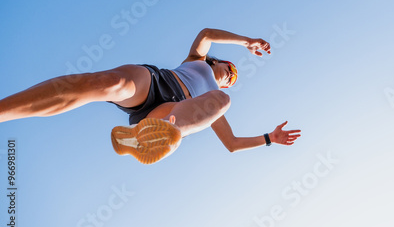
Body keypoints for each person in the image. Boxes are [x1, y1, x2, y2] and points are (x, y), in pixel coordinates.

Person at [0, 29, 301, 164]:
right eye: (230, 69)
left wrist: (269, 139)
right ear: (219, 62)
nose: (230, 77)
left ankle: (145, 137)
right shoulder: (196, 58)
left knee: (222, 104)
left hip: (173, 111)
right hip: (157, 82)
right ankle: (4, 110)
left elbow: (232, 144)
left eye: (233, 80)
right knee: (108, 82)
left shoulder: (214, 98)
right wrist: (246, 41)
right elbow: (207, 33)